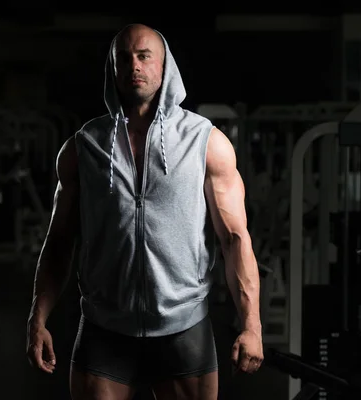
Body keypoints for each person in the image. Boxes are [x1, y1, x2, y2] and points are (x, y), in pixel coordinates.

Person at [26, 23, 264, 400]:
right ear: (112, 67)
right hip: (104, 327)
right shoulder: (84, 147)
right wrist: (37, 319)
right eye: (124, 58)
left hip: (184, 329)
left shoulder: (205, 142)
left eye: (144, 56)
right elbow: (58, 243)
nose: (134, 65)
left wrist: (252, 326)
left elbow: (234, 239)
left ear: (164, 65)